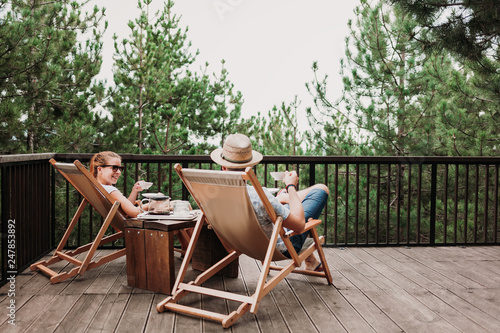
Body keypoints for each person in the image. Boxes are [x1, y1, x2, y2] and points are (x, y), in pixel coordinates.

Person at [210, 133, 329, 271]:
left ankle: (311, 261)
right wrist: (290, 186)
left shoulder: (213, 194)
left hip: (242, 244)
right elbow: (299, 225)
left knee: (282, 202)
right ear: (250, 166)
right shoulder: (260, 196)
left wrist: (277, 201)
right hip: (281, 247)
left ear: (224, 167)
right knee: (321, 189)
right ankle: (286, 196)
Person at [90, 151, 144, 218]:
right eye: (114, 168)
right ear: (100, 169)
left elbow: (125, 209)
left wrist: (134, 190)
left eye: (120, 168)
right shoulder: (111, 191)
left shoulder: (99, 187)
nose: (119, 172)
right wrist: (154, 203)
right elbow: (134, 213)